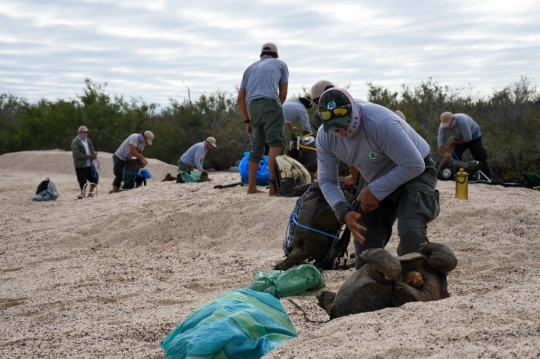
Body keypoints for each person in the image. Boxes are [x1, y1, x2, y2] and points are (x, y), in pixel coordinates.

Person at [315, 88, 440, 269]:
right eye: (334, 127)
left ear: (354, 110)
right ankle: (370, 282)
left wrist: (374, 190)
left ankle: (418, 281)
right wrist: (342, 210)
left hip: (415, 172)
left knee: (411, 230)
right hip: (375, 175)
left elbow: (414, 164)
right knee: (364, 232)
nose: (341, 131)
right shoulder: (325, 137)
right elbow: (326, 180)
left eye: (344, 123)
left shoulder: (380, 122)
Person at [237, 42, 289, 196]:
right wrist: (274, 109)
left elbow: (240, 98)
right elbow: (284, 94)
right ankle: (273, 188)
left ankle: (251, 187)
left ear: (261, 56)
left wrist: (247, 121)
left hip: (253, 107)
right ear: (276, 55)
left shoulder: (249, 69)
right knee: (276, 144)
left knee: (257, 148)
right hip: (271, 103)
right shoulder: (281, 64)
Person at [438, 111, 492, 179]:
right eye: (445, 124)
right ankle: (458, 176)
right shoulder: (443, 126)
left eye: (448, 123)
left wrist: (453, 143)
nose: (447, 126)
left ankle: (488, 177)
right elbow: (440, 141)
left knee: (480, 157)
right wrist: (445, 152)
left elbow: (468, 138)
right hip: (460, 138)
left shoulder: (462, 120)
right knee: (455, 157)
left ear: (453, 119)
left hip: (474, 137)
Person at [71, 125, 98, 199]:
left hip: (90, 165)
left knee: (95, 178)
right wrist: (88, 156)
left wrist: (93, 155)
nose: (86, 133)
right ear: (80, 132)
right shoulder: (75, 142)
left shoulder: (88, 140)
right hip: (80, 165)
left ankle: (90, 194)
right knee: (82, 181)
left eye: (86, 132)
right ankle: (83, 194)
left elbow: (91, 148)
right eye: (84, 132)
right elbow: (77, 154)